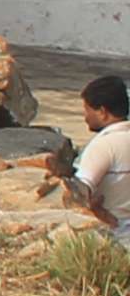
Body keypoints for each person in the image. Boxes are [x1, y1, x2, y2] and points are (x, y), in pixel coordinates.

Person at [49, 74, 130, 227]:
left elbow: (81, 192)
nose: (85, 116)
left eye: (87, 109)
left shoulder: (104, 145)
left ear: (102, 111)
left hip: (114, 231)